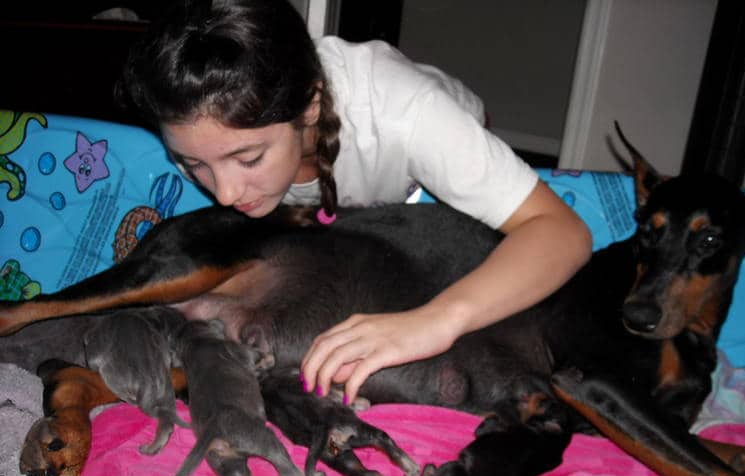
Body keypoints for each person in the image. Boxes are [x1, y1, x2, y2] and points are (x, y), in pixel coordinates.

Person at [117, 0, 592, 405]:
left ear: (310, 107)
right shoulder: (215, 137)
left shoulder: (411, 115)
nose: (224, 192)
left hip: (437, 150)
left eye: (249, 157)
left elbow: (563, 231)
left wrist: (436, 321)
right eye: (194, 164)